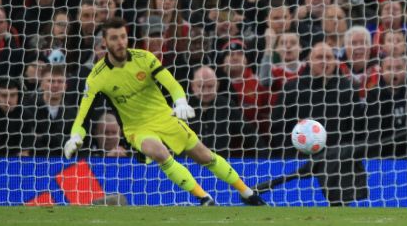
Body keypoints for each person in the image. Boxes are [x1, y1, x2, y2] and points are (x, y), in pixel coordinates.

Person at [63, 17, 266, 206]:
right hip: (136, 128)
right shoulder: (97, 77)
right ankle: (204, 198)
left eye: (123, 36)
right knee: (159, 153)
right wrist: (75, 137)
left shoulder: (144, 58)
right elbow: (83, 116)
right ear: (105, 42)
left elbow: (171, 84)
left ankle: (246, 191)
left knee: (205, 156)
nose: (120, 42)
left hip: (164, 116)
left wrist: (180, 102)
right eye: (114, 38)